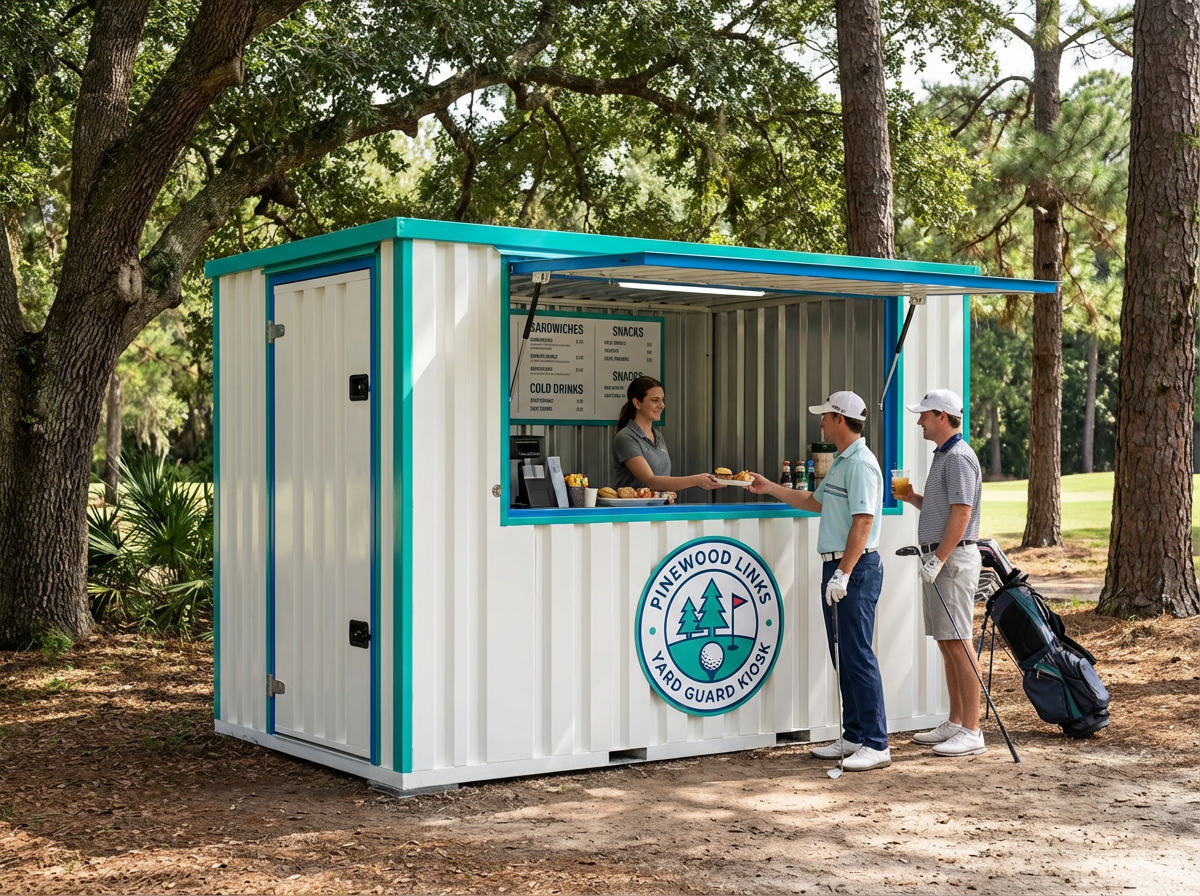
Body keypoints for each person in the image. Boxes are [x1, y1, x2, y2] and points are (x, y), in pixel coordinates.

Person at [748, 390, 890, 772]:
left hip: (854, 570)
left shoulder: (860, 464)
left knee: (857, 655)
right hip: (840, 568)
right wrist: (770, 488)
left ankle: (877, 743)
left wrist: (843, 571)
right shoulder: (844, 462)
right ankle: (855, 734)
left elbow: (863, 522)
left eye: (826, 416)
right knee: (842, 654)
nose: (821, 421)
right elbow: (815, 501)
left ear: (840, 420)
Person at [896, 389, 986, 757]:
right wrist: (914, 497)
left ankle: (973, 730)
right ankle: (956, 720)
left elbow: (962, 515)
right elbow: (945, 510)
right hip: (940, 560)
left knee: (960, 641)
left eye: (924, 415)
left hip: (951, 561)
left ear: (943, 417)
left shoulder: (960, 458)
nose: (919, 421)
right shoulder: (944, 456)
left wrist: (938, 560)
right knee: (947, 642)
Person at [611, 376, 726, 494]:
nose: (662, 405)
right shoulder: (626, 438)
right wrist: (696, 480)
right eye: (655, 400)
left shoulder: (658, 436)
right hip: (637, 511)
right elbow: (651, 481)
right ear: (637, 403)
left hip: (660, 509)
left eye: (662, 400)